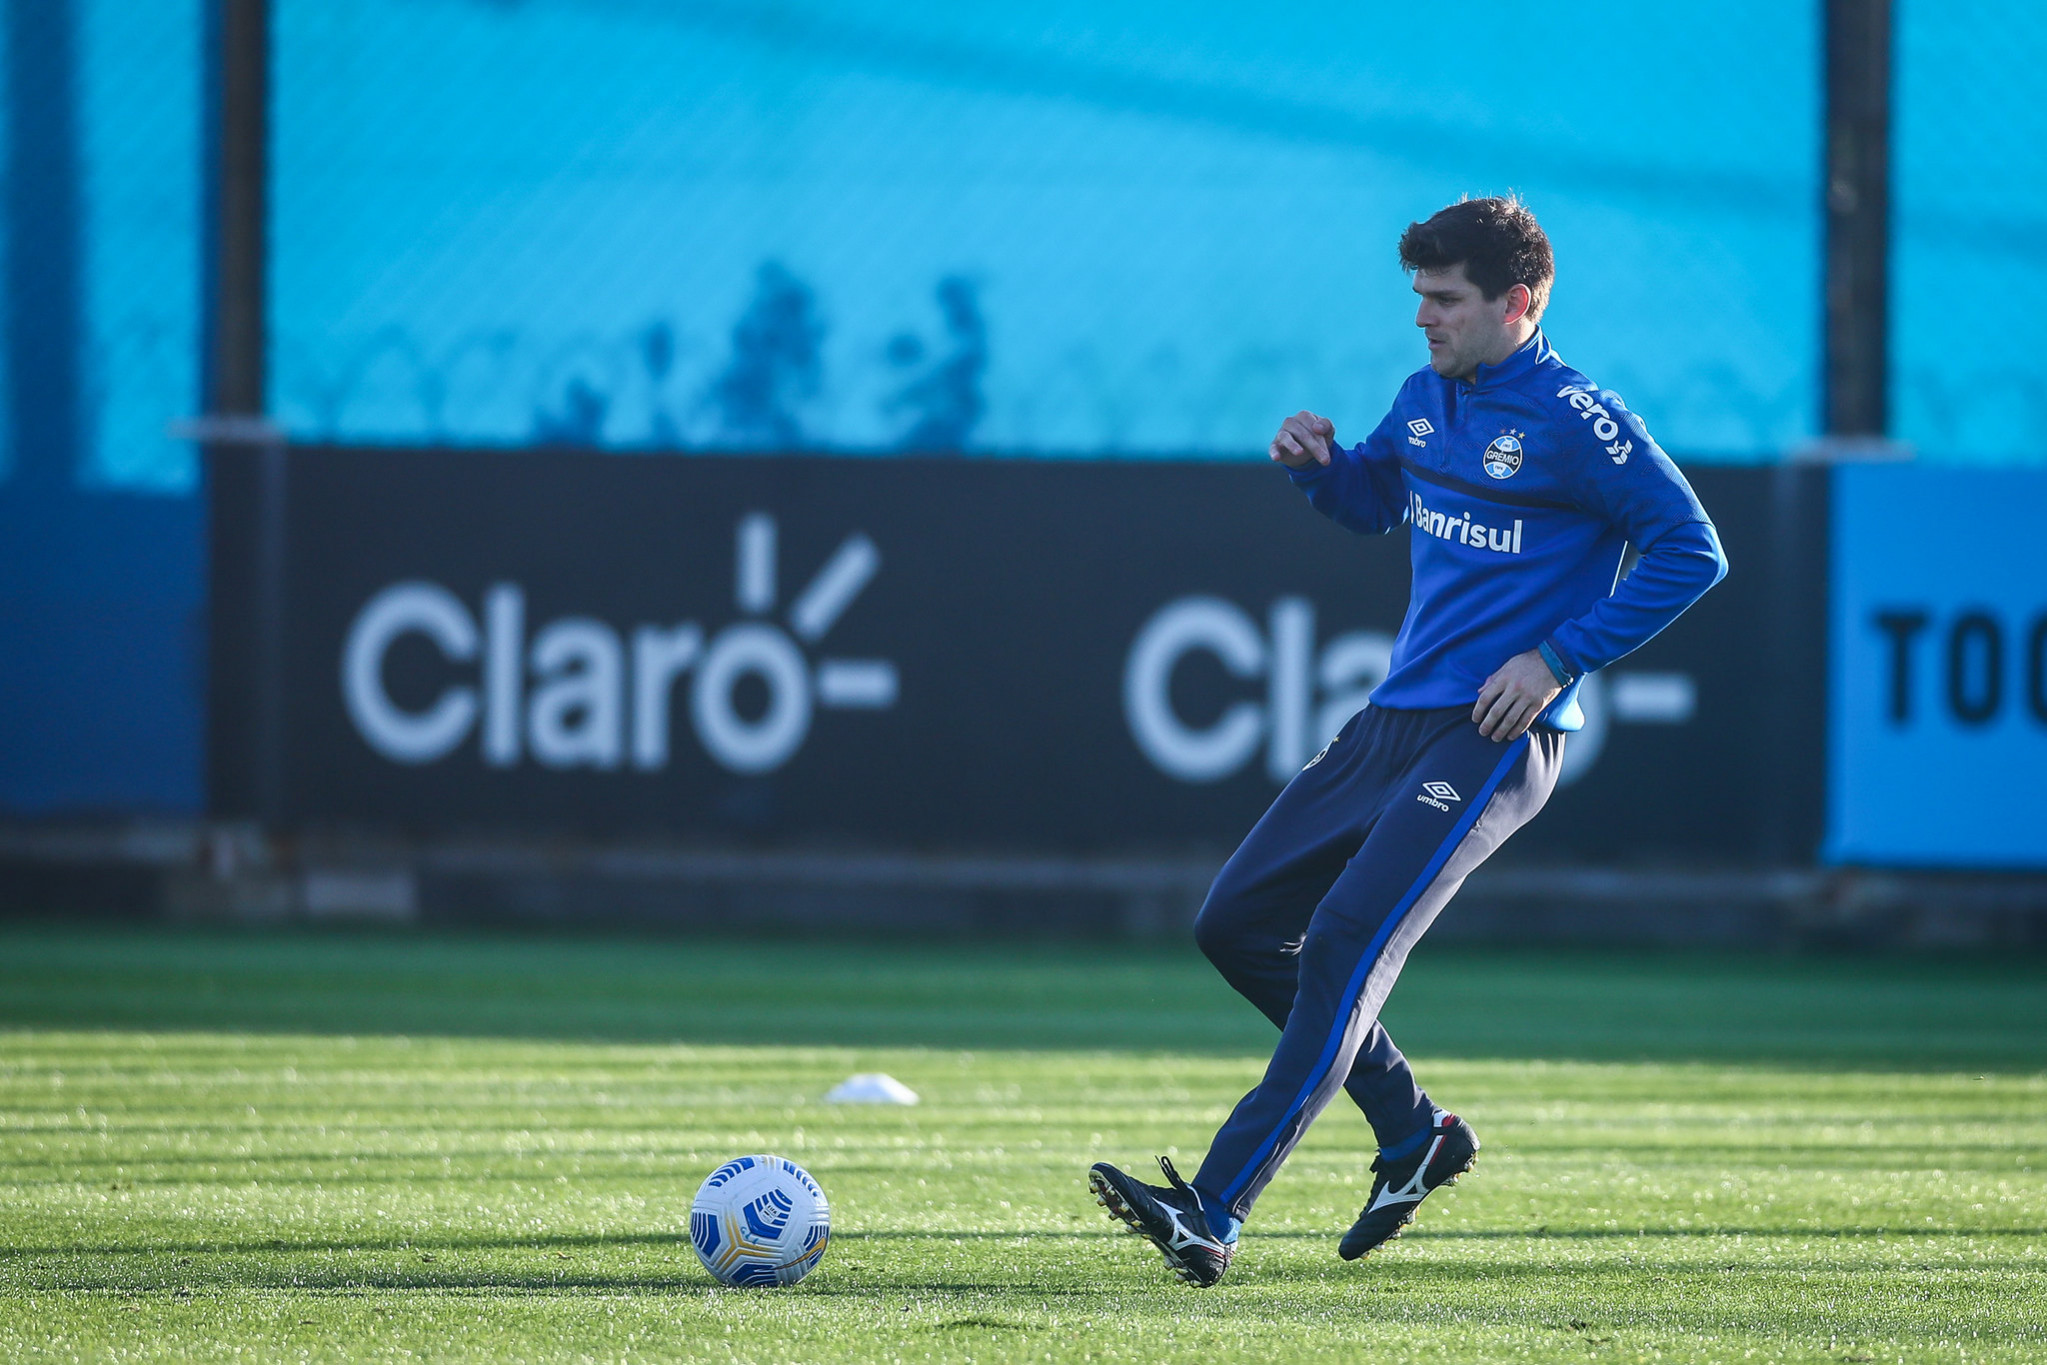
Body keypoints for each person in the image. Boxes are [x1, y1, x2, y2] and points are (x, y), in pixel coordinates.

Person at [1088, 196, 1727, 1287]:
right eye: (1417, 297)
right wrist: (1319, 467)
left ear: (1516, 302)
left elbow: (1691, 550)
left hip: (1492, 733)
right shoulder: (1424, 397)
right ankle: (1415, 1132)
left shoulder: (1580, 419)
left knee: (1341, 938)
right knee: (1235, 921)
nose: (1422, 318)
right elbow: (1379, 499)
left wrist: (1559, 656)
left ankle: (1214, 1209)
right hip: (1393, 717)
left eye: (1444, 299)